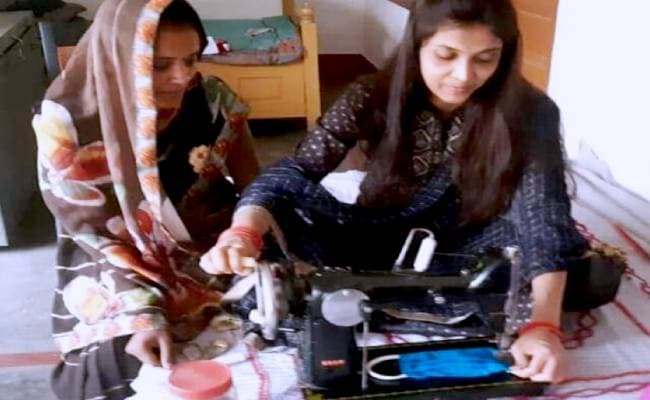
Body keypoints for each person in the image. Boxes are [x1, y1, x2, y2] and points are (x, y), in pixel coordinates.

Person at [199, 0, 596, 384]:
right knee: (279, 213)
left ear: (504, 56)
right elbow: (295, 172)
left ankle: (365, 299)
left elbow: (542, 212)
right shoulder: (370, 94)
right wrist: (242, 233)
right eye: (445, 55)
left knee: (548, 256)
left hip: (468, 239)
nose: (463, 75)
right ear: (417, 45)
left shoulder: (531, 111)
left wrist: (544, 327)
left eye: (485, 58)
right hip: (371, 234)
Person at [32, 0, 259, 398]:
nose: (181, 77)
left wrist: (242, 236)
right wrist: (141, 313)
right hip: (113, 254)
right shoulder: (66, 123)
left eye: (191, 59)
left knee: (276, 321)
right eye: (159, 65)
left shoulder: (211, 99)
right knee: (126, 355)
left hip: (211, 243)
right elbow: (95, 235)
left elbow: (255, 186)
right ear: (117, 58)